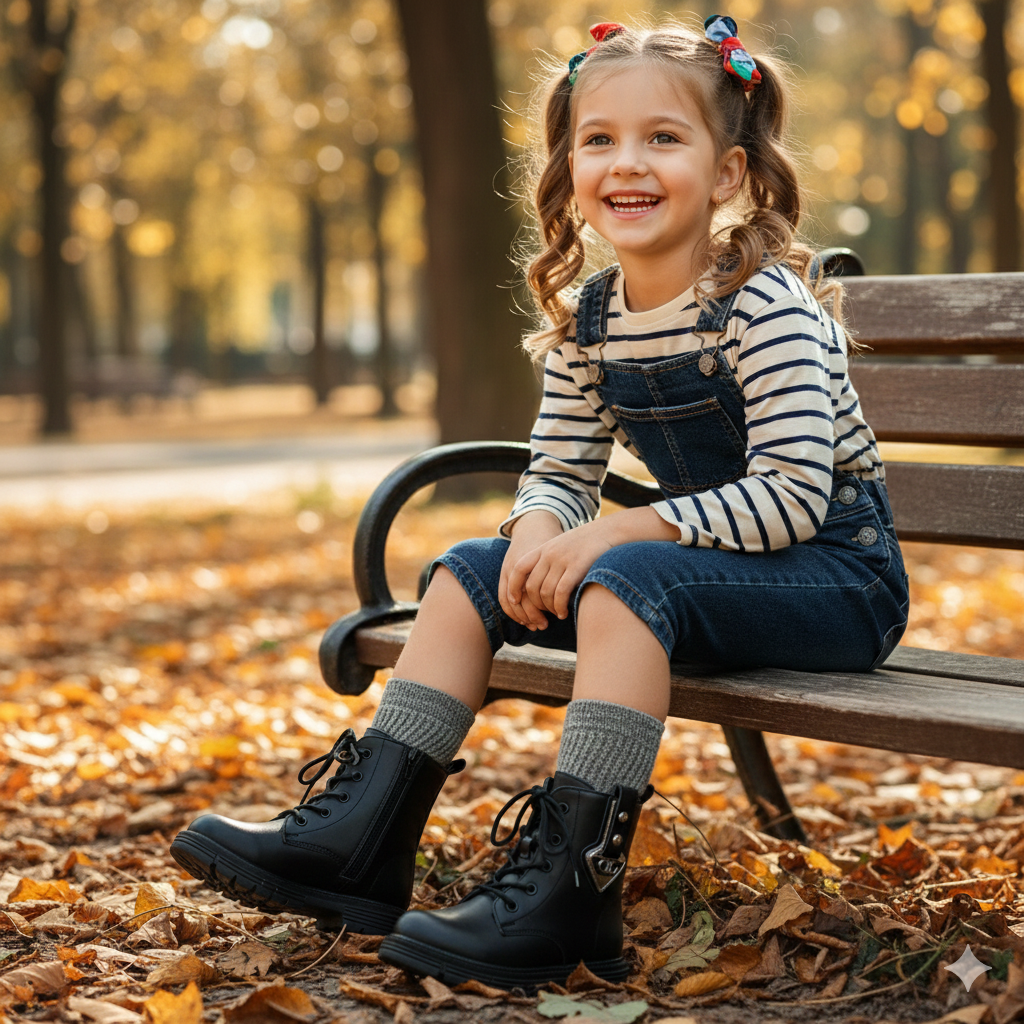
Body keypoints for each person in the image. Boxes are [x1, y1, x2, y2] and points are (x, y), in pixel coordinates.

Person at [170, 14, 909, 989]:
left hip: (833, 580)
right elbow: (559, 470)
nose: (625, 162)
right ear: (568, 169)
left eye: (662, 137)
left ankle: (571, 890)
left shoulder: (761, 303)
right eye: (597, 139)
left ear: (727, 174)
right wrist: (533, 537)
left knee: (626, 575)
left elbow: (790, 495)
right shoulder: (590, 318)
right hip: (703, 569)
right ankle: (359, 841)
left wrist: (622, 530)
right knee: (472, 570)